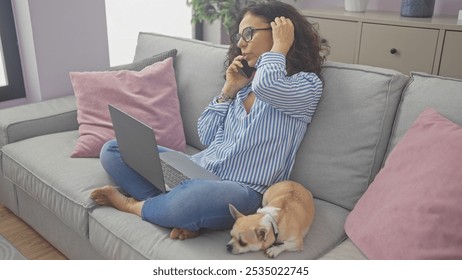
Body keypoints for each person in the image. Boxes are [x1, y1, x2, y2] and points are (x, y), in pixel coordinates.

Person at [90, 0, 327, 240]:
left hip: (244, 191)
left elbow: (268, 84)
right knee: (112, 150)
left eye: (249, 33)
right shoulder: (243, 87)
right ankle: (172, 209)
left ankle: (134, 206)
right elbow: (206, 135)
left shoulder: (306, 85)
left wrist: (280, 47)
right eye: (239, 36)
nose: (241, 43)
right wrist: (229, 89)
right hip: (197, 170)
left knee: (190, 199)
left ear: (280, 31)